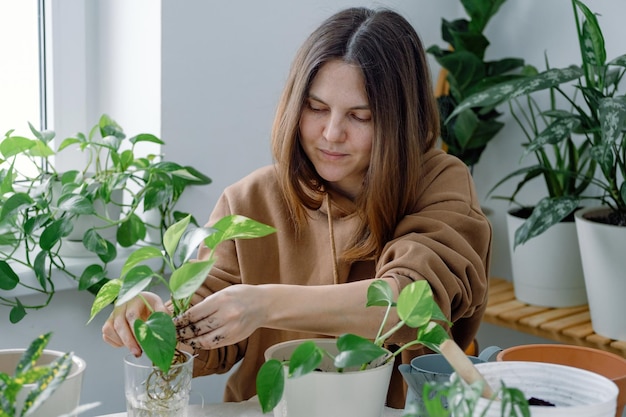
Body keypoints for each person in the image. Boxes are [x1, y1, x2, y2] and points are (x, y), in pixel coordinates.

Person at [102, 7, 491, 409]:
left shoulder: (439, 182)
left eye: (361, 116)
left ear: (399, 120)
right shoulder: (250, 199)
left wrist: (262, 304)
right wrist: (161, 322)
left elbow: (410, 303)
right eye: (316, 108)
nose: (331, 133)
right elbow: (212, 337)